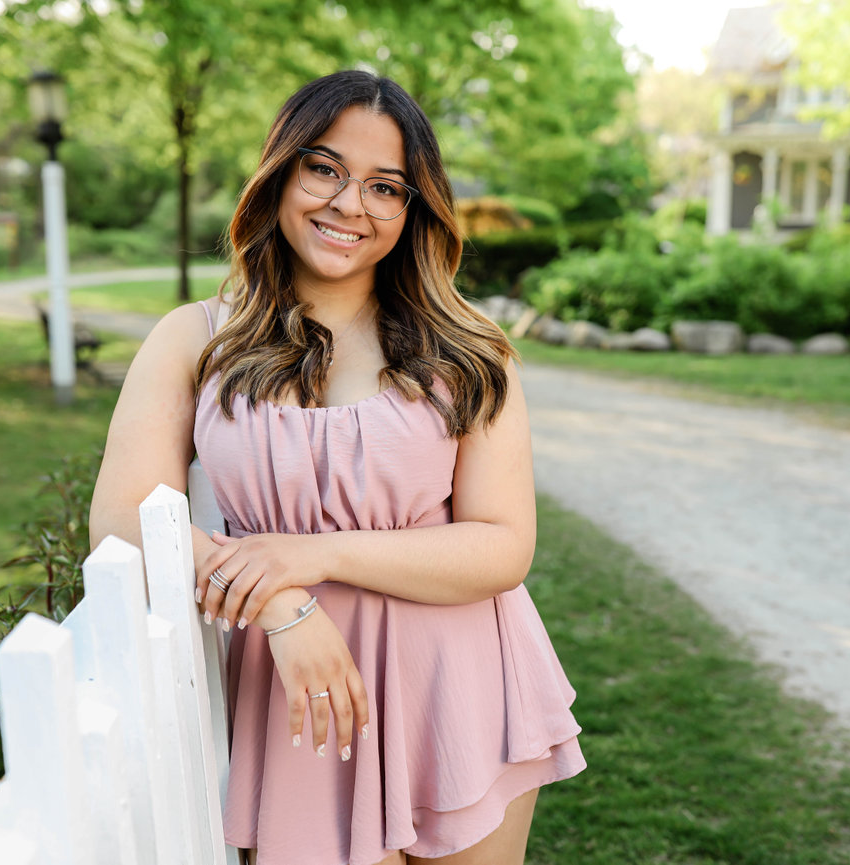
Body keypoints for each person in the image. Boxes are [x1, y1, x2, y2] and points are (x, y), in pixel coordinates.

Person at [89, 69, 584, 865]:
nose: (350, 204)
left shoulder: (467, 348)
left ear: (412, 208)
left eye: (385, 187)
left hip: (458, 689)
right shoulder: (195, 339)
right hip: (300, 700)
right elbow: (122, 519)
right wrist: (282, 602)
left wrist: (313, 552)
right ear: (279, 173)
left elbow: (502, 544)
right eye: (324, 168)